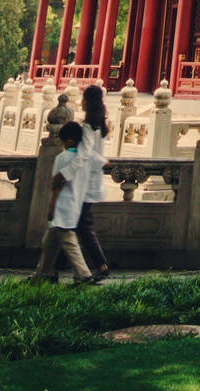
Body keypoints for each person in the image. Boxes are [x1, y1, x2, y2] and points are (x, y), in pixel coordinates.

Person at [29, 121, 93, 284]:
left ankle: (84, 274)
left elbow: (57, 185)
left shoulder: (62, 158)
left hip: (62, 206)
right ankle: (42, 275)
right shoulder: (83, 160)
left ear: (69, 141)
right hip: (75, 204)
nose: (61, 144)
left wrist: (51, 206)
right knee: (50, 243)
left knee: (68, 241)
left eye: (62, 141)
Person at [75, 85, 112, 282]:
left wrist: (101, 161)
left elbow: (86, 152)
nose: (81, 101)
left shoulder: (88, 126)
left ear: (87, 102)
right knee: (79, 224)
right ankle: (86, 267)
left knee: (80, 224)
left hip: (86, 181)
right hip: (91, 180)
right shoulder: (99, 125)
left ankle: (99, 265)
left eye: (83, 98)